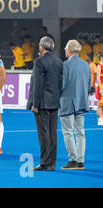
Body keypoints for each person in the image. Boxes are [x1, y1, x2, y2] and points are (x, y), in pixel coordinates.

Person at [27, 36, 63, 171]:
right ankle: (52, 163)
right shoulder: (59, 62)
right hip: (54, 102)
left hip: (42, 103)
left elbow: (37, 84)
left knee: (43, 134)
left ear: (42, 46)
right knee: (53, 133)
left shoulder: (39, 61)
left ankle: (45, 163)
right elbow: (61, 83)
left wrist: (35, 104)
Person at [59, 40, 91, 169]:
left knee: (68, 132)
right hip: (82, 102)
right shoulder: (86, 65)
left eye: (66, 48)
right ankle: (80, 161)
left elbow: (62, 85)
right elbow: (88, 85)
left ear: (70, 50)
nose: (65, 50)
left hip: (67, 102)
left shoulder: (65, 65)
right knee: (80, 132)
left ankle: (72, 160)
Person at [96, 52, 103, 125]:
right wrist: (101, 88)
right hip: (100, 86)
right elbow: (98, 78)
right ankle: (99, 119)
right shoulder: (99, 66)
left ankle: (102, 117)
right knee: (99, 104)